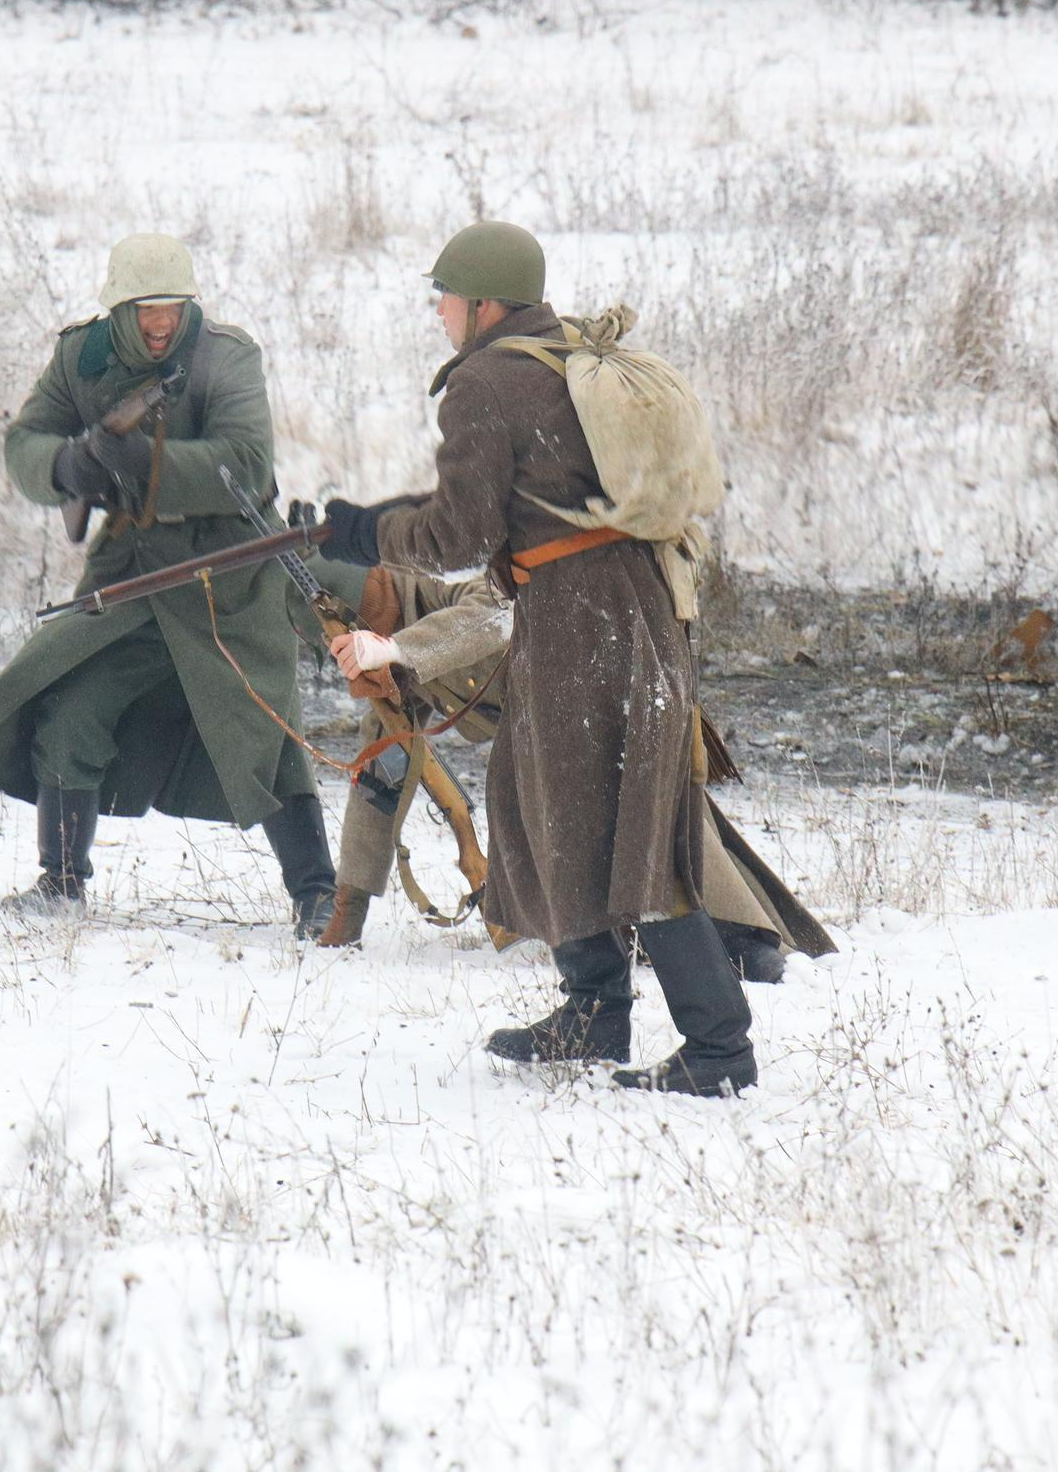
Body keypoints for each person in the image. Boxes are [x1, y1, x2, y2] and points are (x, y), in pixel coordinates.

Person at [319, 221, 759, 1096]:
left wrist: (371, 532)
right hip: (619, 611)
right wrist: (368, 519)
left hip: (579, 622)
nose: (439, 310)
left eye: (445, 295)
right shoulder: (560, 360)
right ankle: (593, 1008)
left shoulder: (485, 382)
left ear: (485, 303)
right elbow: (515, 501)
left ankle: (719, 1048)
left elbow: (460, 532)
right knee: (539, 802)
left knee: (623, 825)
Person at [0, 234, 337, 938]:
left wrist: (148, 465)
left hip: (229, 571)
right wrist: (68, 467)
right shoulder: (83, 356)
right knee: (69, 706)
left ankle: (318, 896)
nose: (161, 324)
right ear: (118, 310)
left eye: (172, 308)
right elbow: (23, 443)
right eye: (145, 310)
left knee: (261, 729)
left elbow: (247, 463)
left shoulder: (226, 355)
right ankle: (61, 882)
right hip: (132, 573)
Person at [308, 549, 796, 983]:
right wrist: (347, 913)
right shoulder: (391, 675)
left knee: (660, 822)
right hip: (547, 739)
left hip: (606, 685)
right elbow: (380, 779)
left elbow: (495, 611)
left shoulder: (458, 587)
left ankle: (741, 937)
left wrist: (400, 649)